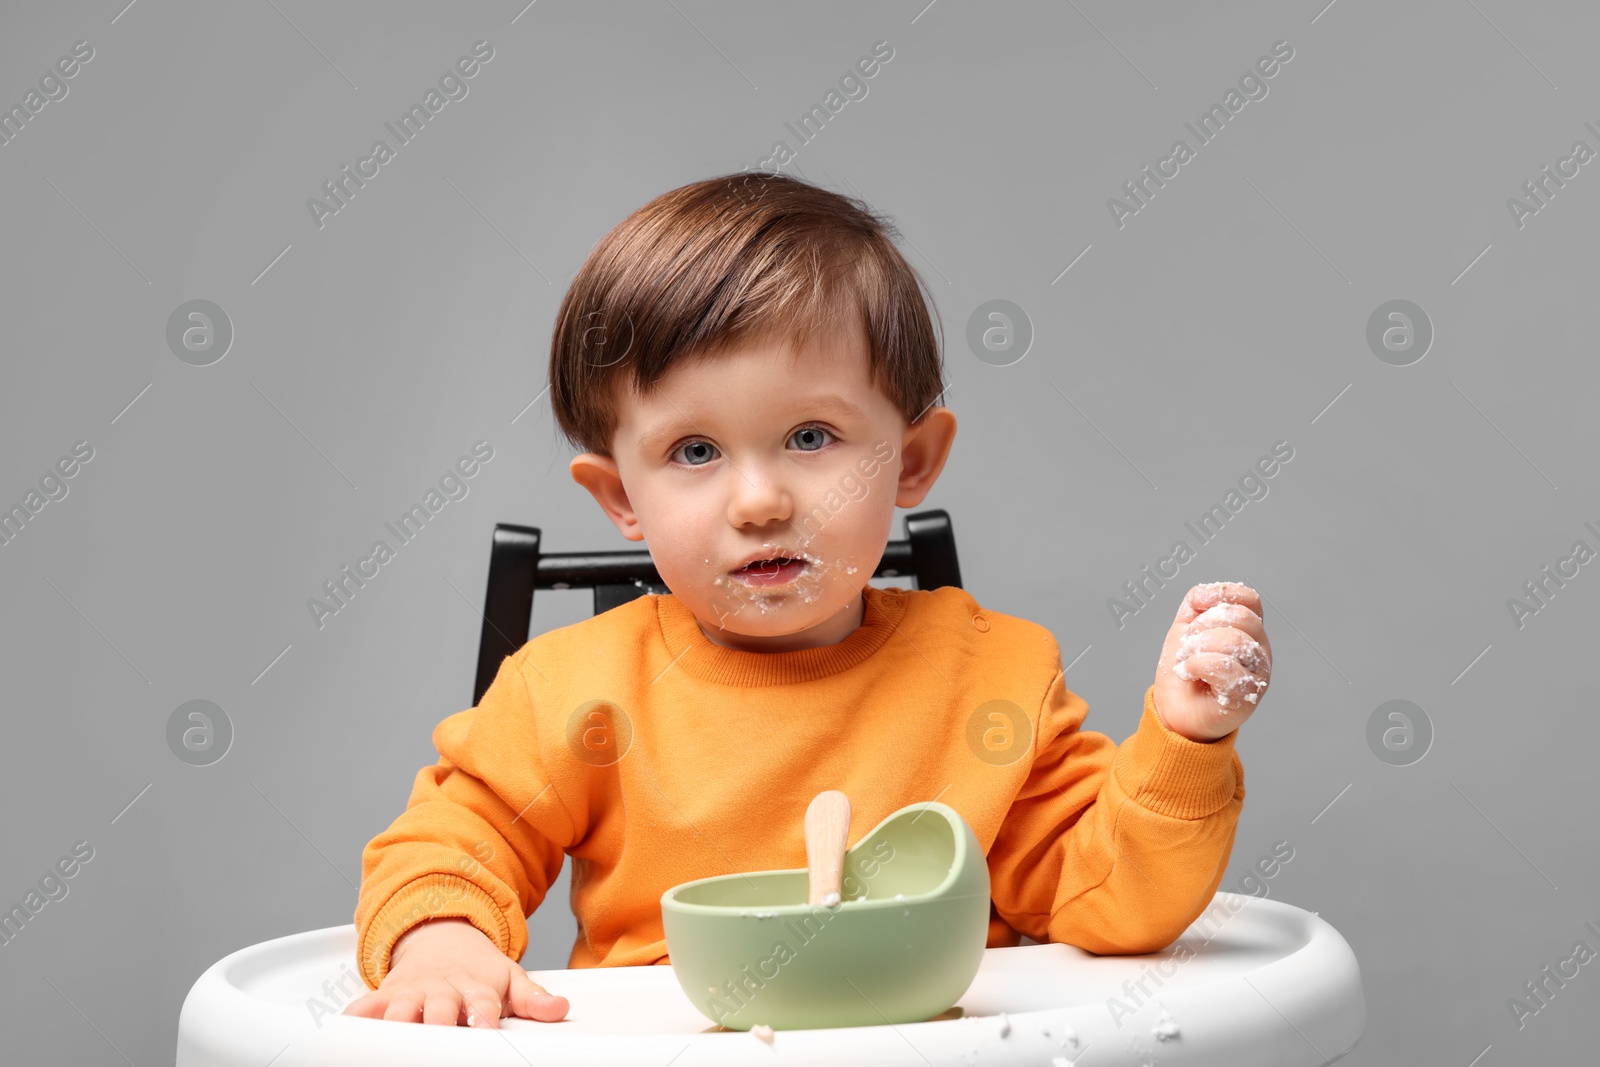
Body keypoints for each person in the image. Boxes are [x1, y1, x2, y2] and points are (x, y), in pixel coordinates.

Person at [343, 171, 1272, 1030]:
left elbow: (1107, 899)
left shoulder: (994, 677)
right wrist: (443, 939)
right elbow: (447, 843)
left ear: (910, 460)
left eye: (812, 435)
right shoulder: (571, 692)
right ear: (620, 497)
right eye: (695, 452)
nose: (760, 502)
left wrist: (1186, 743)